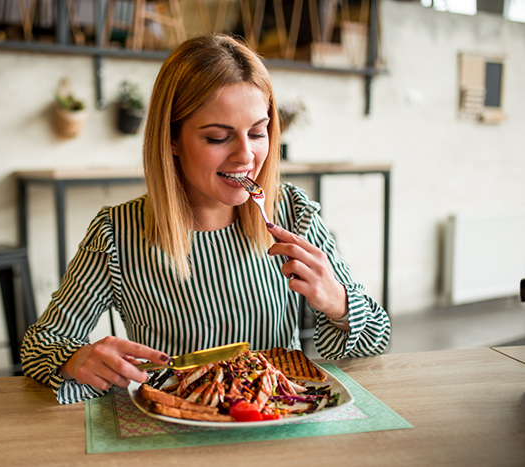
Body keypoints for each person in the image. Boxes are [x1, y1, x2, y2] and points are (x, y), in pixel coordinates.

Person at [21, 34, 390, 404]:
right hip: (175, 431)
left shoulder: (293, 212)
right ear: (172, 140)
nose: (246, 155)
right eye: (218, 137)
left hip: (278, 425)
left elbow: (377, 337)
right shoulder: (116, 234)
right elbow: (40, 345)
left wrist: (338, 304)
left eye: (258, 132)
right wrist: (75, 359)